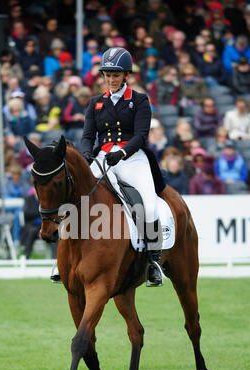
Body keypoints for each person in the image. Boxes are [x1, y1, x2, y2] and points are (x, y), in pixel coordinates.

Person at [81, 47, 165, 286]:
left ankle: (153, 261)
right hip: (103, 158)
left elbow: (141, 135)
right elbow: (88, 135)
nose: (111, 79)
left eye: (115, 75)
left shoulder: (139, 100)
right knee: (77, 198)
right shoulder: (96, 103)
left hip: (133, 158)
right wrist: (87, 152)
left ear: (125, 75)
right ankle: (64, 257)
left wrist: (123, 152)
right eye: (107, 75)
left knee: (148, 205)